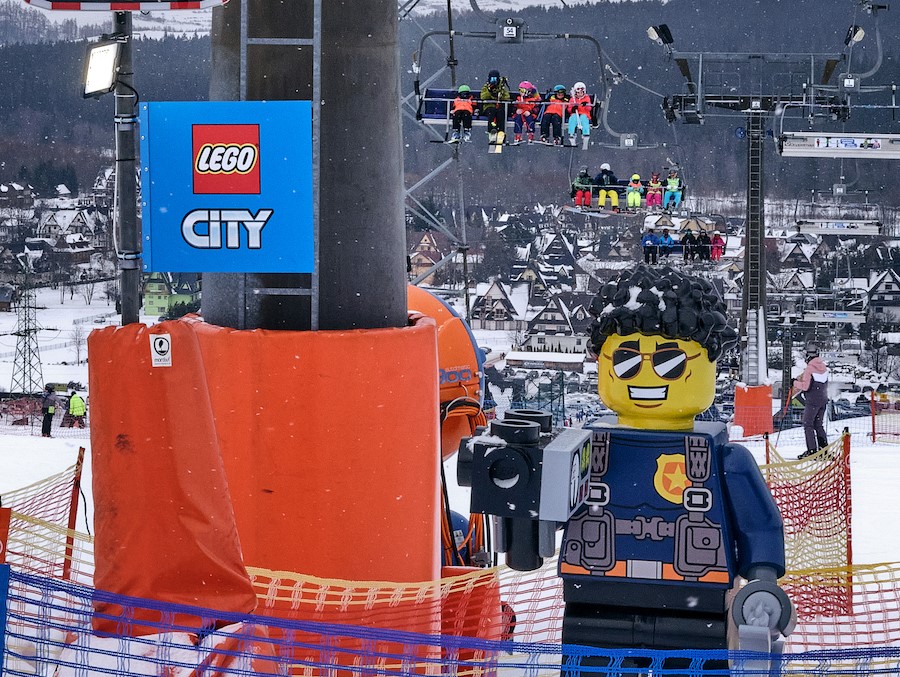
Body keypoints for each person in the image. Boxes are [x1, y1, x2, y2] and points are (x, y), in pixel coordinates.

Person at [795, 343, 829, 459]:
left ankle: (812, 451)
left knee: (808, 424)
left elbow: (805, 386)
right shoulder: (823, 367)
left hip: (812, 400)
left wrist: (794, 383)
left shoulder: (809, 368)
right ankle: (824, 450)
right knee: (818, 425)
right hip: (823, 399)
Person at [477, 69, 511, 139]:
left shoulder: (501, 87)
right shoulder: (486, 87)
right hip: (489, 106)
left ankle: (501, 131)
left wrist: (499, 95)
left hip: (499, 106)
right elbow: (483, 96)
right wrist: (490, 92)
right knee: (491, 112)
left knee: (501, 113)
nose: (493, 81)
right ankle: (492, 131)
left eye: (495, 79)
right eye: (492, 79)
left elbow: (507, 97)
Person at [566, 81, 592, 149]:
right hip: (575, 114)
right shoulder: (572, 99)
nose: (580, 94)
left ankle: (585, 134)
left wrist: (585, 105)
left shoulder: (586, 98)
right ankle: (572, 134)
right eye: (578, 93)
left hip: (584, 113)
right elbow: (569, 109)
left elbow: (589, 108)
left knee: (584, 119)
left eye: (581, 92)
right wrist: (573, 109)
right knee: (572, 119)